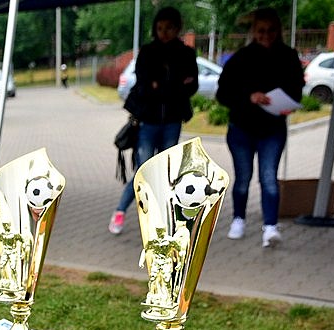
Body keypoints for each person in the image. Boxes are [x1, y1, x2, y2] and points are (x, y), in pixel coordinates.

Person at [216, 7, 304, 248]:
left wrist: (289, 104)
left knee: (269, 177)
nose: (266, 35)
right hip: (242, 127)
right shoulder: (241, 58)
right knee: (243, 177)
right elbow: (223, 93)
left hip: (272, 129)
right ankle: (238, 219)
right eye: (261, 30)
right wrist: (249, 97)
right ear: (254, 31)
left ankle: (270, 227)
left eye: (271, 30)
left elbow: (296, 90)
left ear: (279, 31)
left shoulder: (288, 56)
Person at [108, 7, 198, 235]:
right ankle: (120, 211)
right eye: (160, 28)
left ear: (177, 28)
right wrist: (173, 86)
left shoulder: (185, 53)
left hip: (172, 121)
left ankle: (162, 219)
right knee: (145, 171)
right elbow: (145, 85)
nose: (164, 32)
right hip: (147, 122)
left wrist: (163, 86)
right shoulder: (148, 52)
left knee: (167, 172)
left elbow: (191, 85)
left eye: (169, 28)